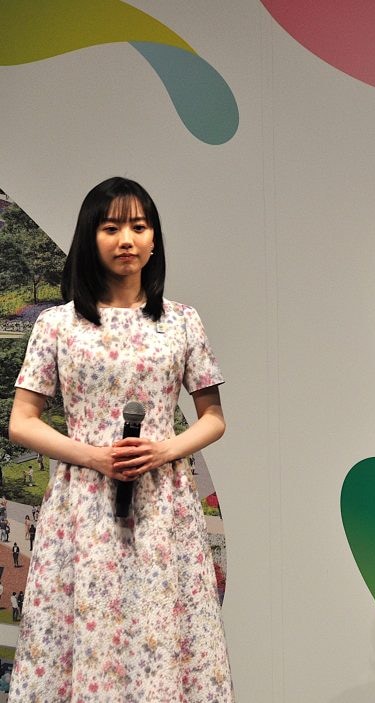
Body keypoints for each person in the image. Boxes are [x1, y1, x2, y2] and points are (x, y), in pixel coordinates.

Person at [6, 177, 233, 701]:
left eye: (139, 226)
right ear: (90, 238)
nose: (127, 239)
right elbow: (23, 421)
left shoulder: (181, 321)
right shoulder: (58, 325)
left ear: (154, 239)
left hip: (163, 503)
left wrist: (164, 449)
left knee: (160, 629)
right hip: (82, 505)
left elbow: (212, 417)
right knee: (87, 628)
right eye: (111, 228)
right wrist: (94, 457)